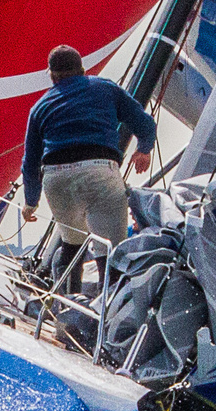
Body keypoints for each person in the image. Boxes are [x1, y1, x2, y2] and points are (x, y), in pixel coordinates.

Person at [20, 45, 155, 293]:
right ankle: (106, 310)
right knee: (111, 250)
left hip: (57, 178)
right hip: (99, 171)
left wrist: (30, 201)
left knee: (72, 245)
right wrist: (144, 149)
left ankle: (67, 304)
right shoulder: (105, 88)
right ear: (83, 70)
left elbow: (30, 163)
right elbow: (144, 123)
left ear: (52, 76)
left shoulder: (39, 107)